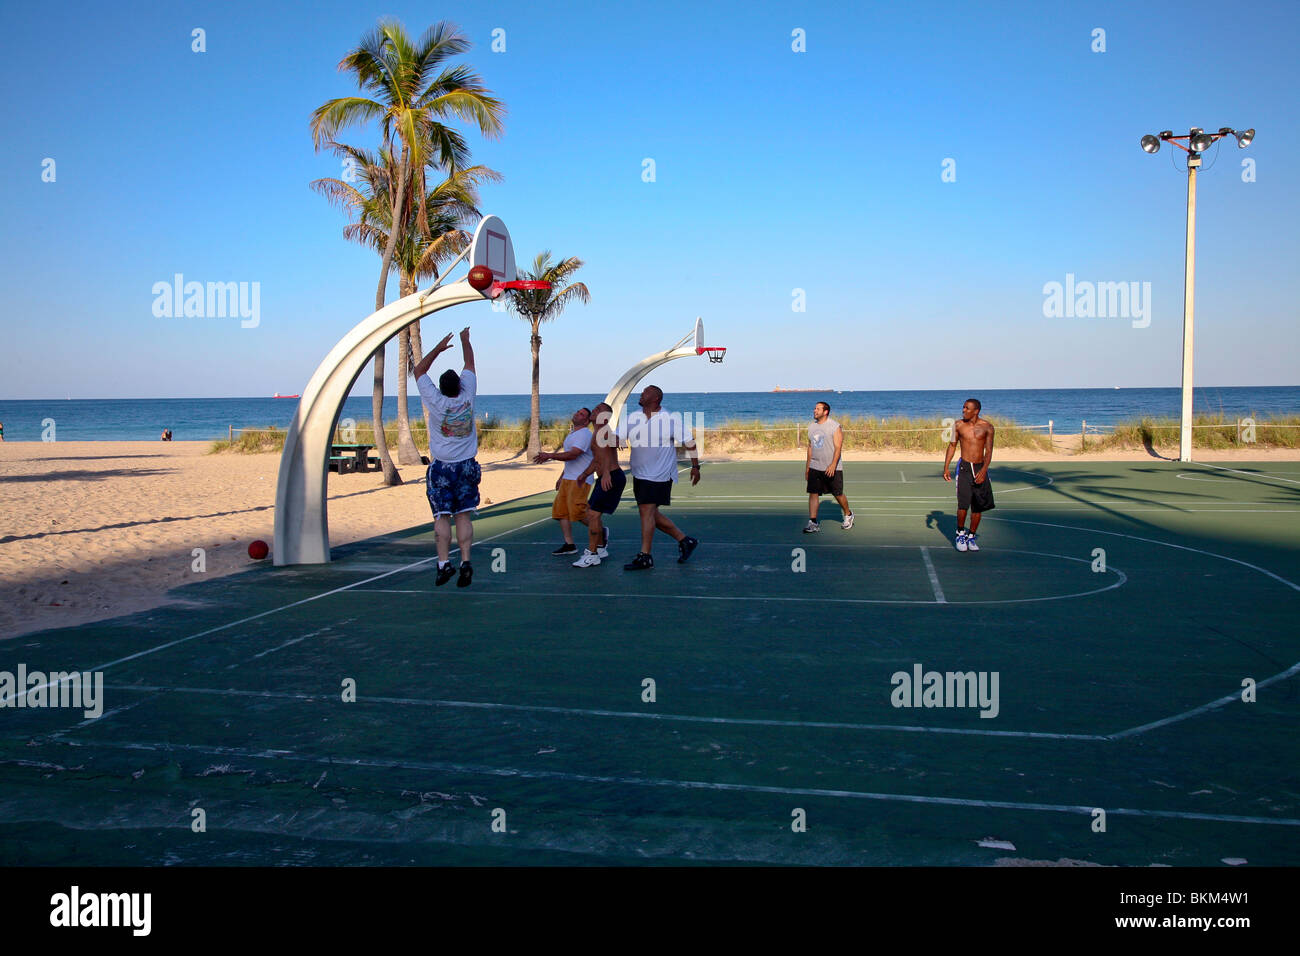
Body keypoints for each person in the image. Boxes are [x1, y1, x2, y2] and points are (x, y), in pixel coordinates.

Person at [413, 327, 480, 587]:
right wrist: (465, 340)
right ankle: (465, 561)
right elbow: (470, 363)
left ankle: (443, 563)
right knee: (463, 516)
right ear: (461, 385)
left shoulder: (436, 401)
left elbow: (419, 371)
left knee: (442, 516)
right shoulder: (468, 396)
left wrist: (439, 349)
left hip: (442, 469)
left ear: (440, 388)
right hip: (467, 467)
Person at [619, 385, 700, 571]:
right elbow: (617, 438)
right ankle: (685, 540)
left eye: (645, 392)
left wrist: (695, 466)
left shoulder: (670, 419)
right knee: (649, 514)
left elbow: (689, 441)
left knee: (646, 511)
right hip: (639, 474)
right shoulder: (632, 417)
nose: (641, 394)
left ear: (655, 398)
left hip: (660, 474)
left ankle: (645, 556)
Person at [534, 407, 595, 555]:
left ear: (587, 421)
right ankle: (569, 545)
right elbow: (570, 460)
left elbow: (573, 455)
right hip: (569, 478)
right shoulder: (573, 434)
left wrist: (549, 455)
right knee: (561, 512)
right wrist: (562, 477)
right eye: (577, 412)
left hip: (580, 479)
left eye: (581, 414)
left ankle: (600, 530)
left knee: (578, 512)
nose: (577, 414)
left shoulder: (585, 434)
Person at [571, 403, 621, 567]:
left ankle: (592, 554)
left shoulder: (602, 431)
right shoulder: (598, 432)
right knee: (590, 511)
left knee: (593, 515)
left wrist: (606, 473)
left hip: (611, 476)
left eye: (599, 410)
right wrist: (585, 474)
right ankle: (599, 548)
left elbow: (606, 454)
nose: (594, 411)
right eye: (596, 408)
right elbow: (598, 458)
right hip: (607, 476)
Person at [942, 398, 995, 552]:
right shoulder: (958, 425)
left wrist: (984, 471)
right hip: (964, 467)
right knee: (963, 504)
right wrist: (946, 467)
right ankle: (960, 533)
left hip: (980, 467)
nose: (963, 410)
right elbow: (952, 446)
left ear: (976, 411)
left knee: (978, 507)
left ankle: (971, 536)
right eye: (963, 407)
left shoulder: (988, 427)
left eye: (967, 408)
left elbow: (989, 452)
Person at [804, 401, 853, 532]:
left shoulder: (834, 426)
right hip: (815, 466)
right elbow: (810, 447)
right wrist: (808, 467)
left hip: (832, 467)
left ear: (825, 412)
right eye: (814, 408)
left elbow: (838, 447)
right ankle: (813, 522)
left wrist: (832, 464)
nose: (815, 410)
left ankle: (848, 515)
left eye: (818, 409)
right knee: (813, 493)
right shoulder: (811, 427)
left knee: (837, 493)